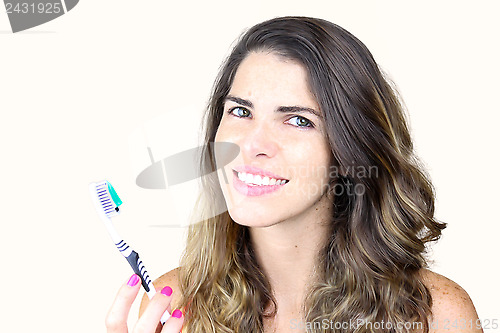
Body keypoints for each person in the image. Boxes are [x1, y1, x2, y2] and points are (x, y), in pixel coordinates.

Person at [105, 16, 482, 333]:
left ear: (351, 148)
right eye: (240, 111)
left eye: (298, 120)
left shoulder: (435, 315)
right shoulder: (173, 308)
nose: (252, 145)